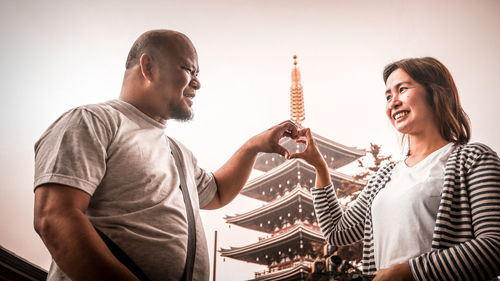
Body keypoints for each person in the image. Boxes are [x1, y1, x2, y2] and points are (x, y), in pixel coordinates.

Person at [33, 29, 299, 281]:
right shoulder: (94, 122)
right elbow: (55, 218)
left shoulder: (178, 153)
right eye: (188, 69)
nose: (197, 82)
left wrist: (253, 146)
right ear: (148, 67)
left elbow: (216, 193)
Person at [290, 57, 500, 281]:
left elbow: (494, 246)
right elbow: (337, 231)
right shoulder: (385, 176)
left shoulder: (473, 159)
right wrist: (320, 167)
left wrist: (408, 272)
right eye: (388, 96)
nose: (393, 102)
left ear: (435, 92)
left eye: (402, 89)